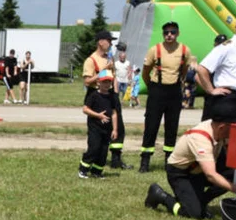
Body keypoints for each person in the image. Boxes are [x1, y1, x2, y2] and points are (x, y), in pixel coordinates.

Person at [144, 100, 236, 220]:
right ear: (222, 127)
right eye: (234, 125)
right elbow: (211, 175)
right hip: (181, 173)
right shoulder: (201, 139)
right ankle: (160, 196)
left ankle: (200, 202)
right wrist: (234, 188)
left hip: (198, 170)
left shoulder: (219, 130)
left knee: (232, 175)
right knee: (193, 213)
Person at [139, 21, 195, 172]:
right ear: (163, 34)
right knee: (151, 126)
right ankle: (145, 162)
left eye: (173, 32)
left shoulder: (184, 50)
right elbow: (145, 71)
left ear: (178, 33)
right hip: (157, 90)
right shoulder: (155, 50)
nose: (169, 35)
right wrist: (151, 86)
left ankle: (169, 161)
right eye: (166, 32)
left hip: (174, 91)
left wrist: (180, 84)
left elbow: (184, 70)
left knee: (172, 126)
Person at [197, 12, 236, 121]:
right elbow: (202, 68)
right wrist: (211, 90)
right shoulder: (226, 47)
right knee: (223, 132)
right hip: (227, 96)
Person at [84, 30, 131, 169]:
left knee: (118, 128)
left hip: (110, 95)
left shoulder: (109, 58)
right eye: (109, 41)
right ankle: (92, 157)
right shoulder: (91, 60)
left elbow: (114, 77)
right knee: (98, 129)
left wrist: (115, 95)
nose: (111, 44)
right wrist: (104, 69)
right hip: (96, 94)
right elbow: (87, 82)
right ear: (100, 42)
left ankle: (116, 159)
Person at [79, 69, 118, 179]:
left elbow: (114, 113)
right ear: (98, 82)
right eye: (104, 81)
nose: (106, 84)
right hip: (95, 128)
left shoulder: (112, 97)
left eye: (109, 82)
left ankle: (97, 171)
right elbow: (85, 109)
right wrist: (98, 115)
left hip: (107, 129)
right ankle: (83, 169)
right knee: (94, 148)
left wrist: (115, 129)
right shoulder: (93, 95)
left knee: (103, 151)